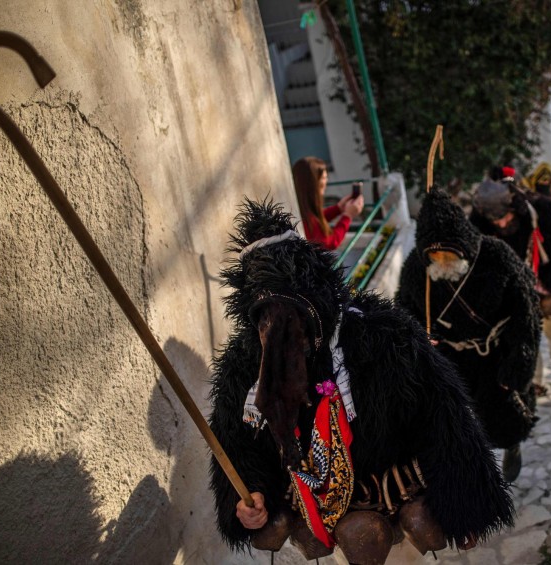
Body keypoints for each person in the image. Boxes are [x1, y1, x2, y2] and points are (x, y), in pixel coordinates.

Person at [210, 199, 514, 557]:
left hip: (392, 488)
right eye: (268, 321)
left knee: (378, 538)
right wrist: (250, 496)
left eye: (292, 317)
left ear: (315, 302)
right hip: (312, 503)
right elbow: (237, 447)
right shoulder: (244, 368)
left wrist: (465, 507)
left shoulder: (385, 336)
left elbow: (445, 417)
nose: (284, 336)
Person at [397, 188, 541, 483]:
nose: (441, 260)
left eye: (447, 253)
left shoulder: (496, 256)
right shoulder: (417, 267)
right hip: (450, 357)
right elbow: (404, 310)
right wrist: (419, 340)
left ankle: (512, 444)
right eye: (434, 254)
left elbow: (526, 312)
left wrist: (517, 364)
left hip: (494, 353)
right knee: (456, 421)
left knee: (505, 414)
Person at [470, 180, 551, 394]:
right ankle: (536, 382)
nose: (502, 225)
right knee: (523, 337)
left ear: (514, 208)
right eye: (496, 221)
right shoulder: (481, 230)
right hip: (514, 292)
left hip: (548, 284)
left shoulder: (546, 213)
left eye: (505, 217)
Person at [292, 156, 364, 250]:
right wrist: (348, 216)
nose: (326, 181)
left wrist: (338, 208)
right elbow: (329, 243)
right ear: (314, 183)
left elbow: (315, 221)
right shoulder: (306, 216)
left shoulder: (300, 207)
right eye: (324, 178)